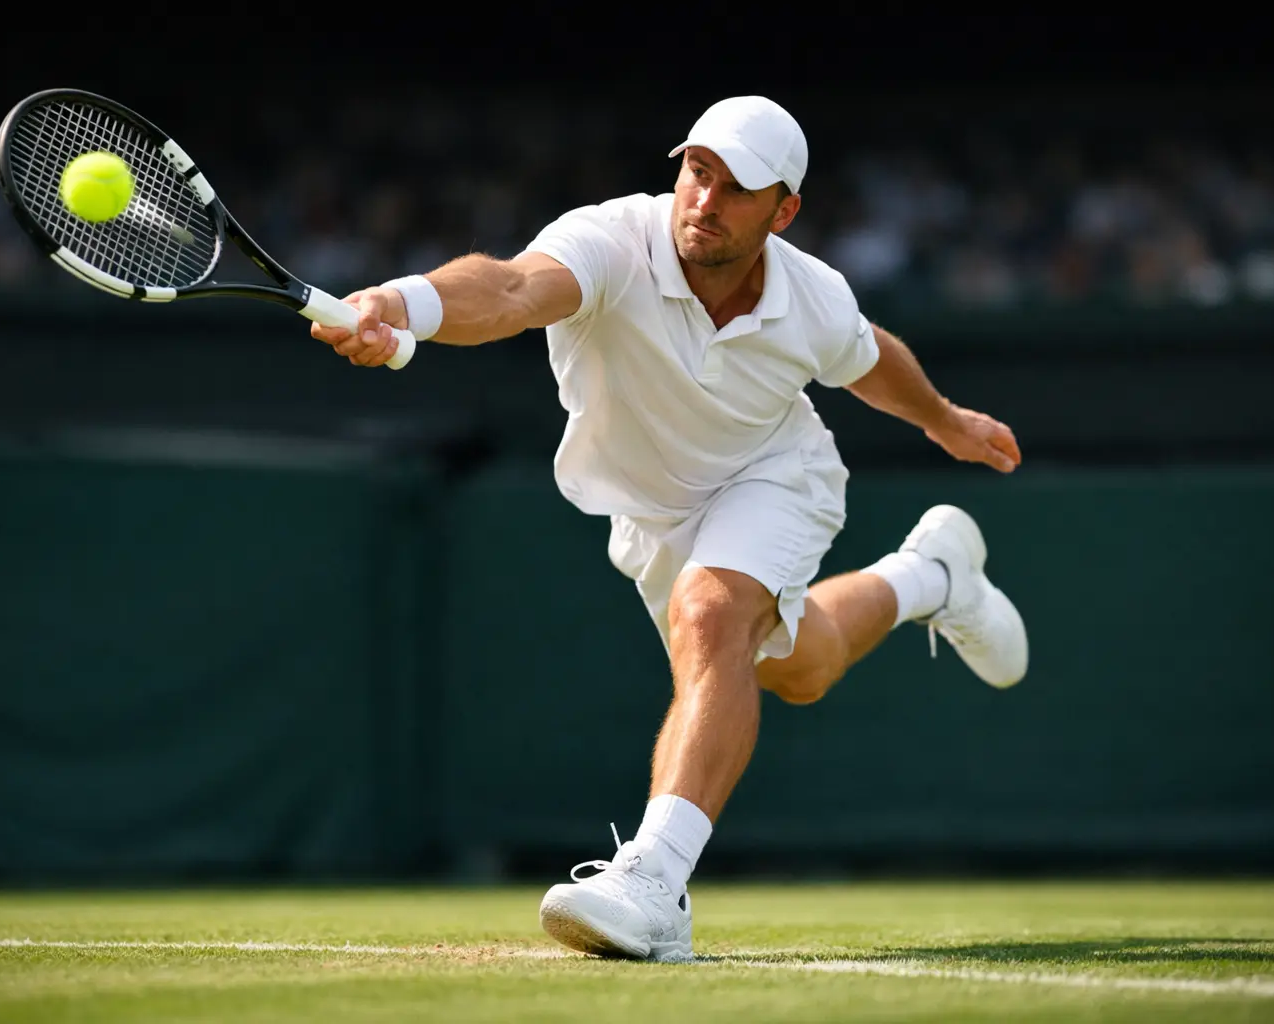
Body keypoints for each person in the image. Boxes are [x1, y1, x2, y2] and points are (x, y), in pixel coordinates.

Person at [310, 96, 1028, 963]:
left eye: (737, 188)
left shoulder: (813, 296)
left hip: (774, 476)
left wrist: (945, 420)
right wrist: (400, 301)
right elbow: (510, 288)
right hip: (655, 516)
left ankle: (654, 882)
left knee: (711, 615)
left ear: (783, 212)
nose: (705, 200)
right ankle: (932, 576)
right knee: (797, 669)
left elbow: (871, 359)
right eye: (698, 171)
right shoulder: (611, 240)